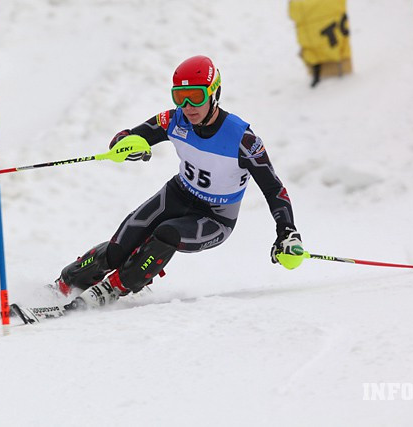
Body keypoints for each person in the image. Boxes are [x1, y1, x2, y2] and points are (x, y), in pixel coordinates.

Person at [54, 55, 304, 310]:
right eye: (179, 96)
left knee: (167, 234)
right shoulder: (174, 119)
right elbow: (126, 136)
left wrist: (287, 232)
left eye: (196, 96)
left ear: (214, 93)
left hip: (216, 217)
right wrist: (127, 146)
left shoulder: (243, 138)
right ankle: (64, 284)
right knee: (117, 250)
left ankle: (112, 289)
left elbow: (274, 188)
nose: (187, 106)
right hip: (177, 194)